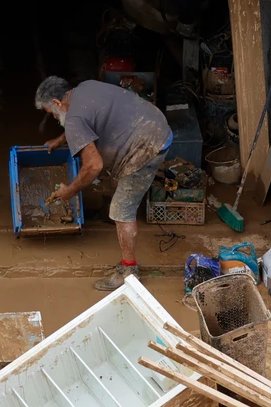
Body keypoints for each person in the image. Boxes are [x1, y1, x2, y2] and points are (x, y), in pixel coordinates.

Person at [35, 76, 172, 290]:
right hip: (153, 122)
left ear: (57, 103)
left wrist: (70, 191)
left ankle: (128, 271)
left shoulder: (73, 120)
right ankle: (108, 210)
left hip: (148, 146)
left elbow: (93, 166)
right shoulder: (85, 87)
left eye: (52, 113)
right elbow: (84, 119)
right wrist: (61, 139)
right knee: (115, 173)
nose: (54, 116)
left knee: (122, 210)